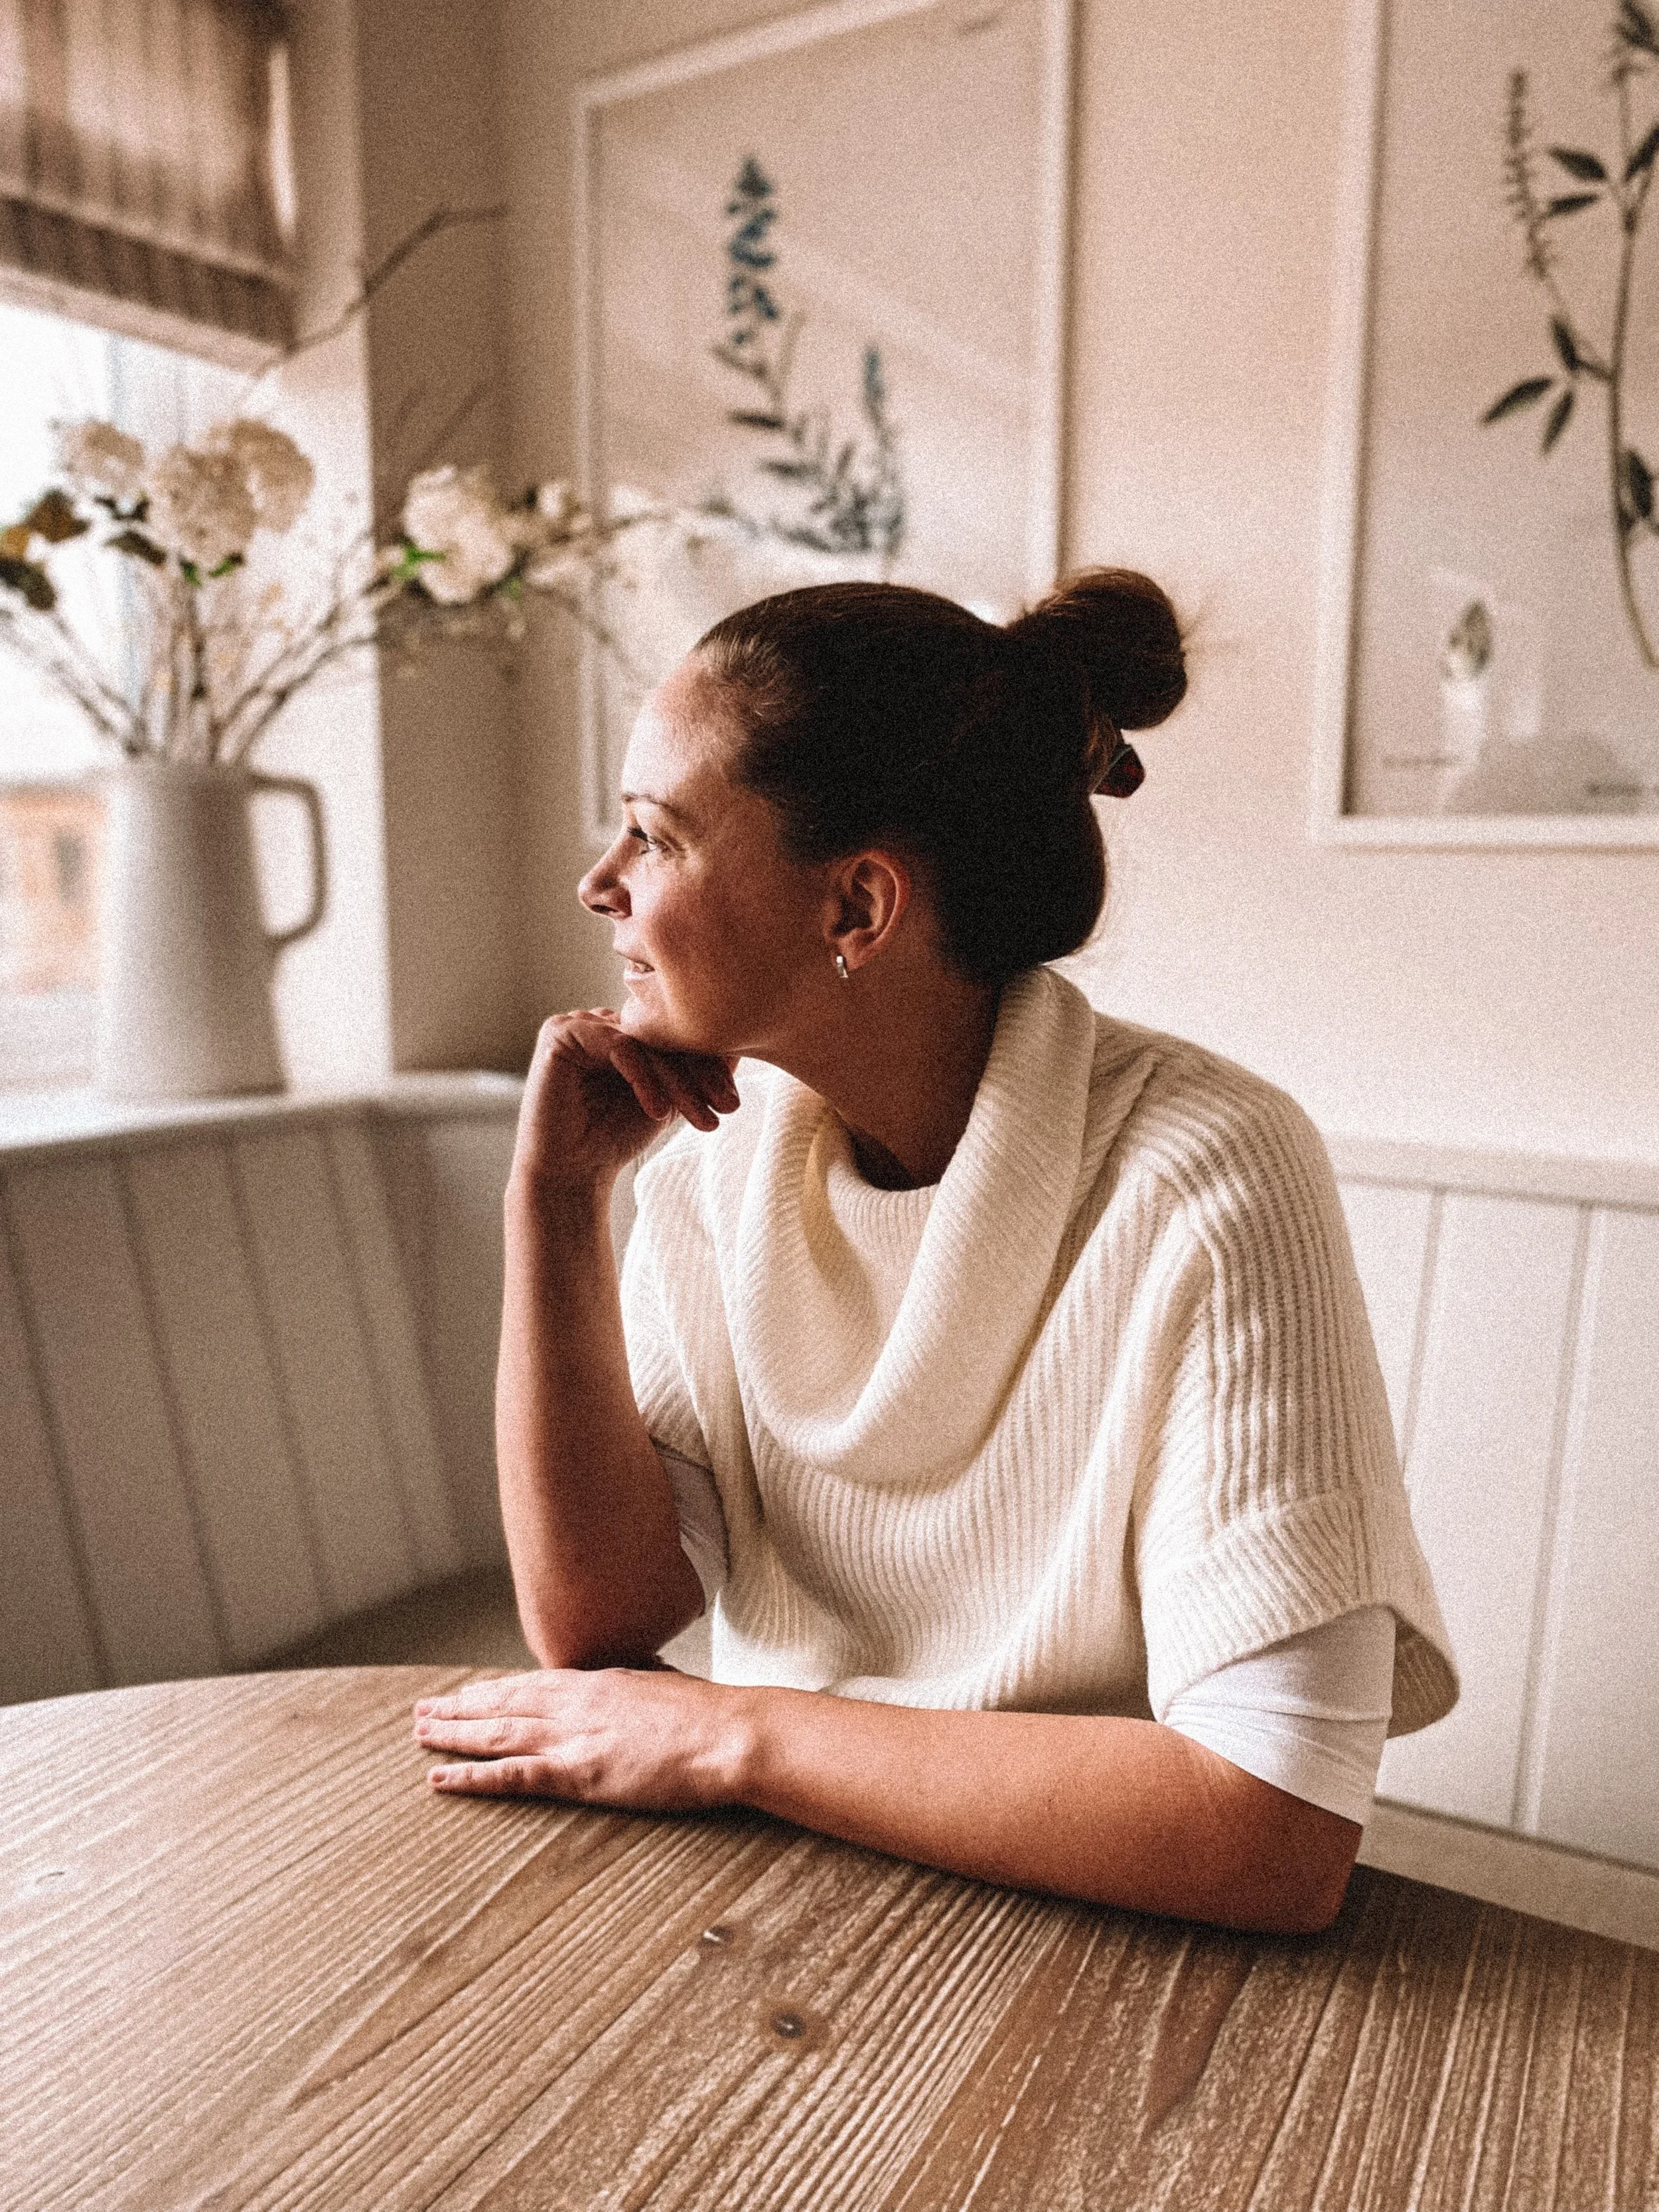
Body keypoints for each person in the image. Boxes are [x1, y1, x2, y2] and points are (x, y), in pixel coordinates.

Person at [411, 570, 1457, 1935]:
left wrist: (738, 1737)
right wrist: (554, 1205)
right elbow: (599, 1624)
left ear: (856, 909)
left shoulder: (1210, 1172)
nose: (596, 883)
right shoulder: (711, 1171)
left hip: (1126, 1937)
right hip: (803, 1887)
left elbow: (1271, 1831)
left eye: (652, 836)